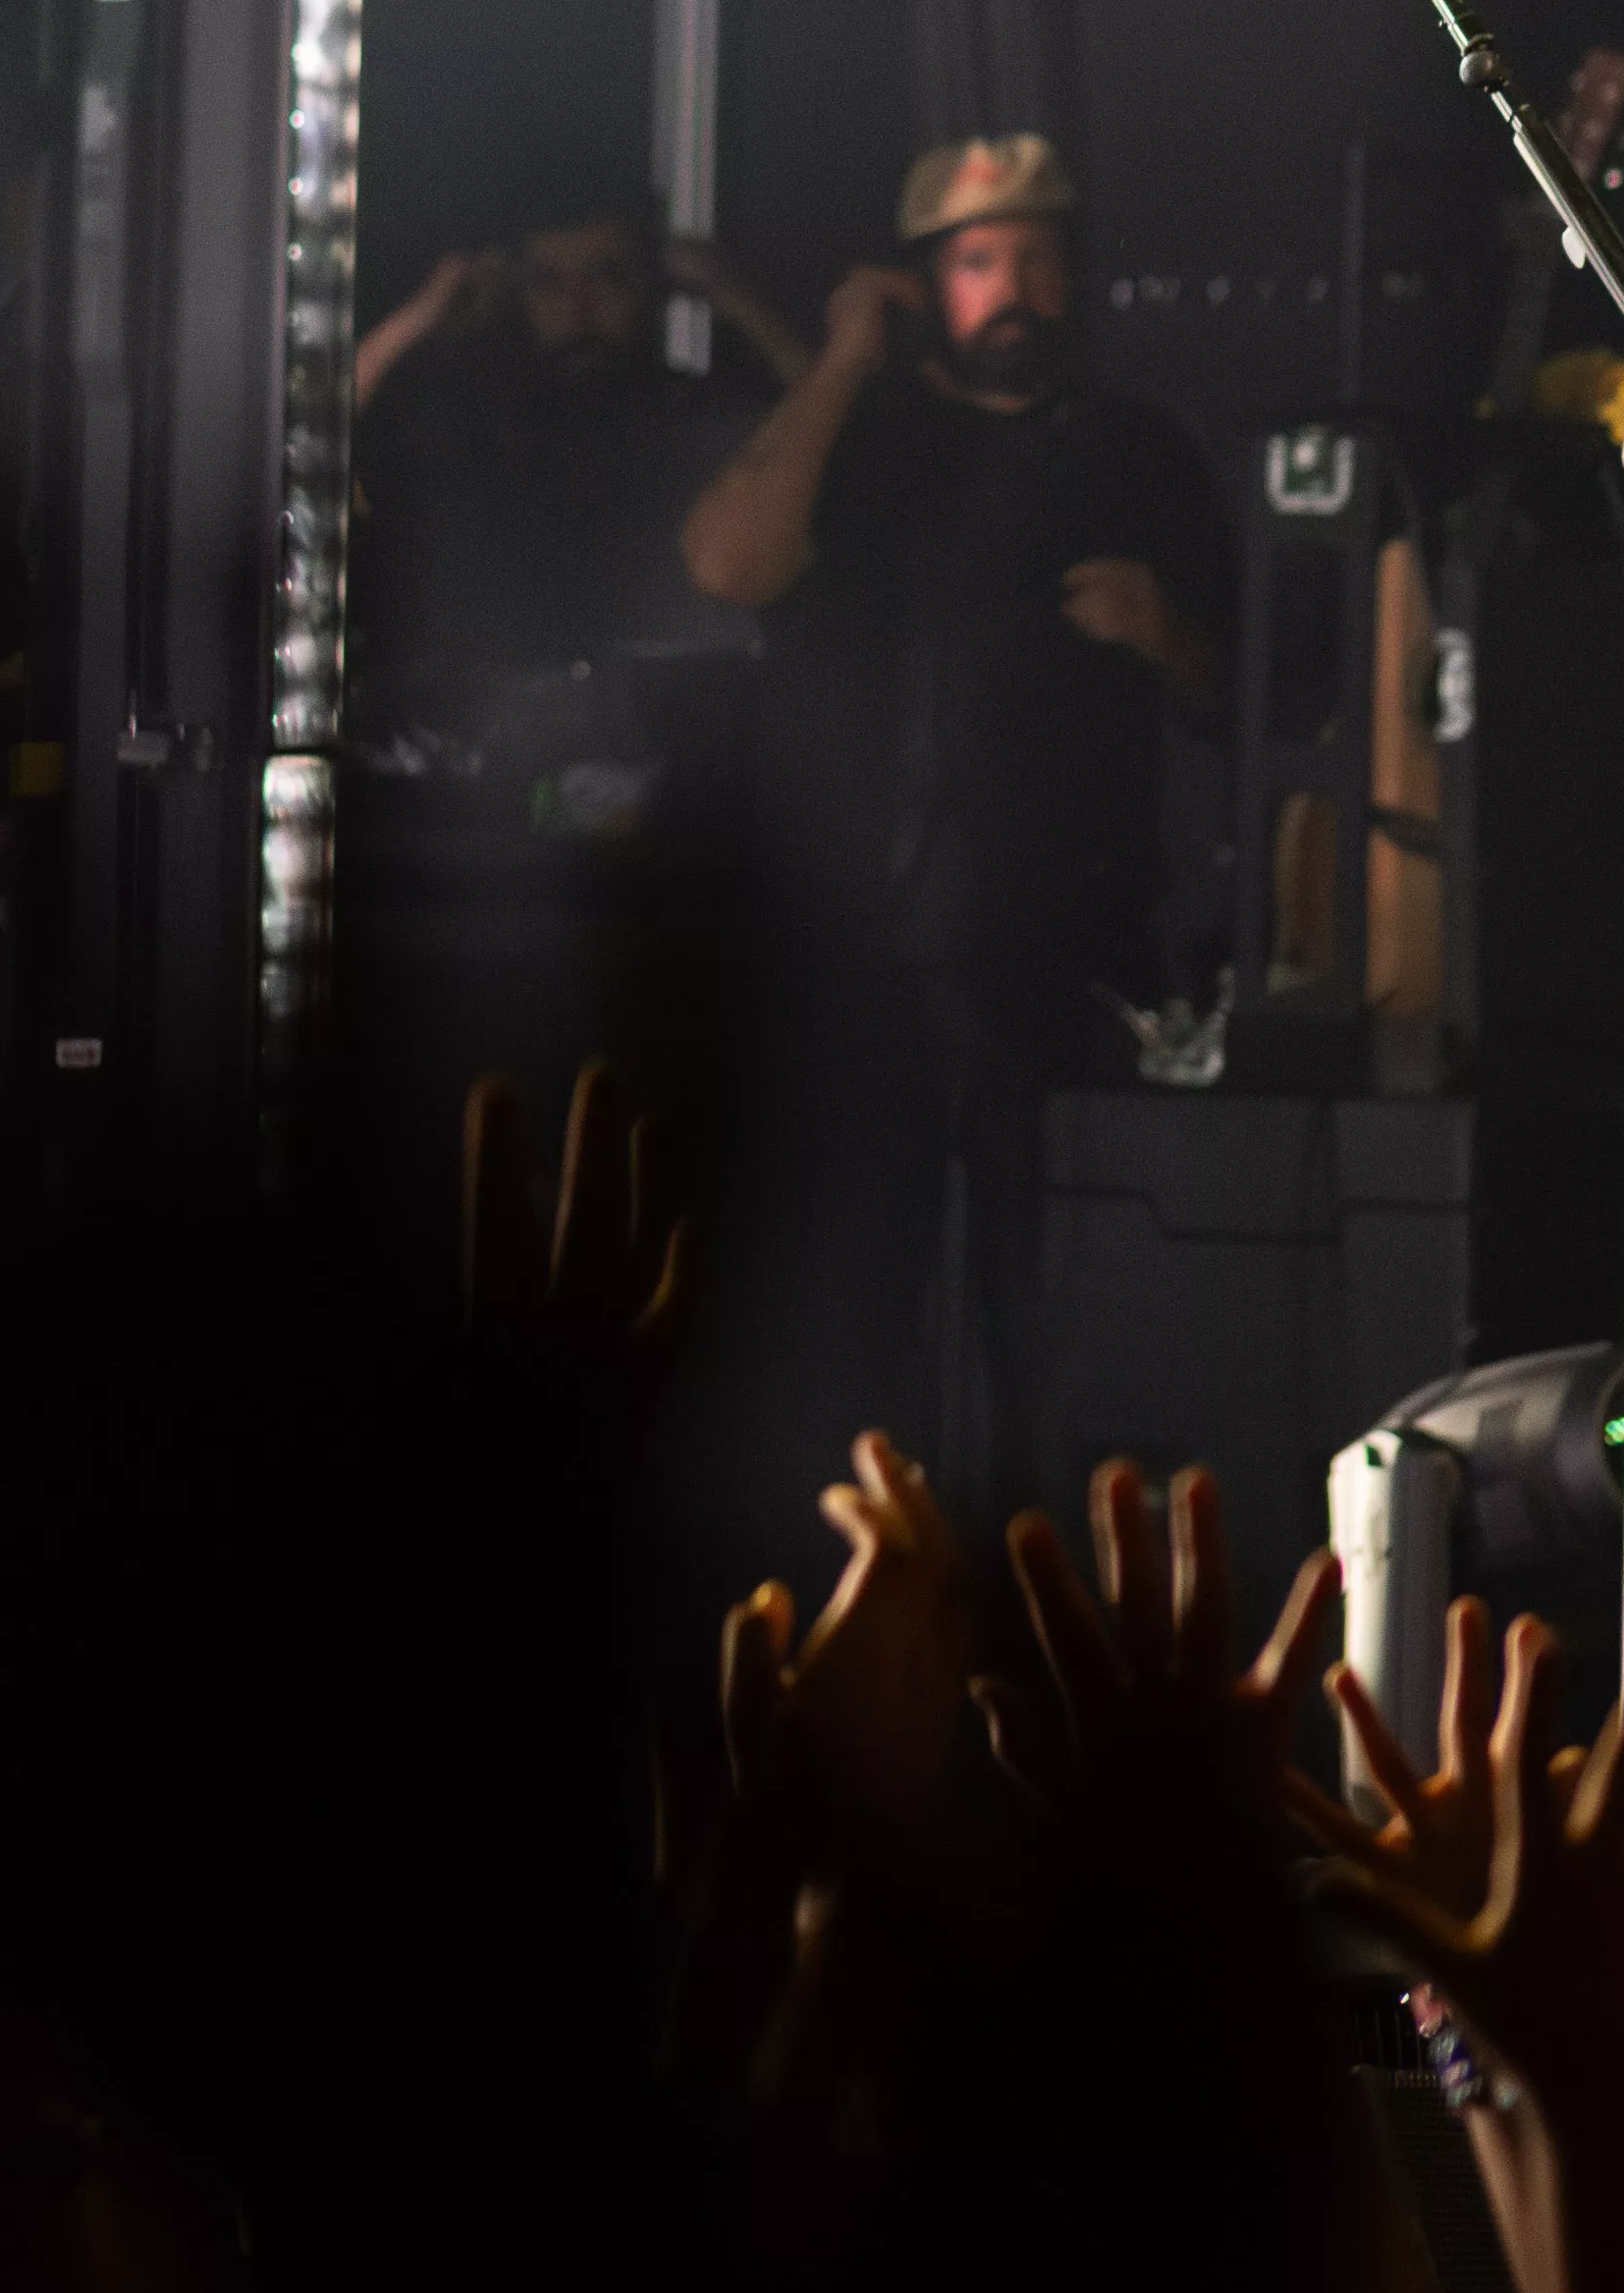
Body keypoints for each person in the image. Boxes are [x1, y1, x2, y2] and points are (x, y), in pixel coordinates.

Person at [676, 132, 1227, 1515]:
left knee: (1054, 1323)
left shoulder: (1133, 448)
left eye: (1039, 254)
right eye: (980, 259)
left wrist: (1166, 635)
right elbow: (728, 561)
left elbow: (1258, 701)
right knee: (858, 1313)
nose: (1014, 285)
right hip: (858, 956)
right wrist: (841, 359)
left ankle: (1037, 1594)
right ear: (927, 279)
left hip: (1064, 954)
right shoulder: (857, 433)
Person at [351, 198, 800, 689]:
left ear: (653, 285)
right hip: (488, 732)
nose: (578, 310)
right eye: (548, 283)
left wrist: (735, 298)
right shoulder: (466, 429)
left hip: (680, 730)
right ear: (516, 294)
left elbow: (848, 438)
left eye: (608, 278)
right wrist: (427, 310)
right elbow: (315, 444)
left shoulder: (703, 414)